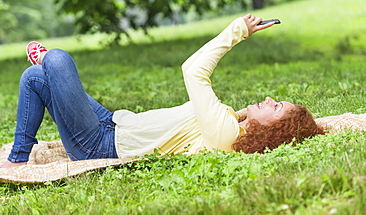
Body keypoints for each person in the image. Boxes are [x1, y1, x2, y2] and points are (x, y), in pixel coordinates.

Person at [0, 14, 324, 168]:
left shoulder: (226, 136)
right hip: (111, 123)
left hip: (98, 145)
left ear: (274, 130)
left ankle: (48, 62)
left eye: (277, 106)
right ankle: (17, 158)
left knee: (56, 59)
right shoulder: (233, 123)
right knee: (34, 78)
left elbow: (193, 71)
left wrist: (237, 31)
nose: (270, 99)